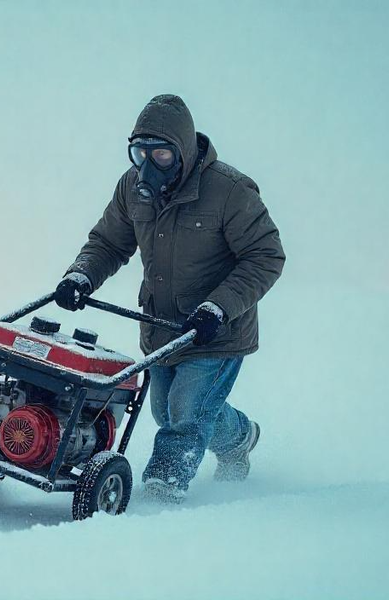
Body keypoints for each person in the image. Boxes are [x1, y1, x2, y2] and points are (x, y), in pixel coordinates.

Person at [53, 94, 285, 502]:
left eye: (160, 154)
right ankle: (239, 437)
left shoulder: (229, 191)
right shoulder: (133, 188)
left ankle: (162, 491)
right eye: (139, 153)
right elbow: (108, 242)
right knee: (165, 411)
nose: (148, 165)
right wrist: (81, 275)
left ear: (182, 149)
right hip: (161, 328)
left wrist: (219, 306)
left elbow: (266, 256)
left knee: (186, 414)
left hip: (217, 331)